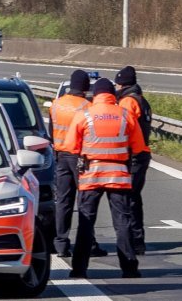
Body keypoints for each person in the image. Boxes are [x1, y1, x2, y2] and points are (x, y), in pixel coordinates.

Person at [64, 78, 146, 279]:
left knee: (86, 222)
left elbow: (70, 147)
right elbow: (138, 147)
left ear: (96, 94)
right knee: (122, 222)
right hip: (118, 174)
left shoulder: (84, 115)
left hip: (91, 174)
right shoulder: (125, 115)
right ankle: (129, 268)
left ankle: (79, 269)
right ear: (112, 94)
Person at [49, 69, 107, 258]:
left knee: (63, 201)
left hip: (60, 156)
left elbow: (51, 132)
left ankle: (60, 243)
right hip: (80, 157)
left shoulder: (56, 104)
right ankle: (88, 243)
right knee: (85, 202)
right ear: (85, 87)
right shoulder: (86, 106)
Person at [114, 65, 153, 255]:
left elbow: (124, 127)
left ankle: (133, 241)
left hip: (134, 156)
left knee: (128, 200)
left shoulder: (128, 102)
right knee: (134, 199)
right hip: (142, 154)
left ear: (122, 84)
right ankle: (137, 241)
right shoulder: (140, 99)